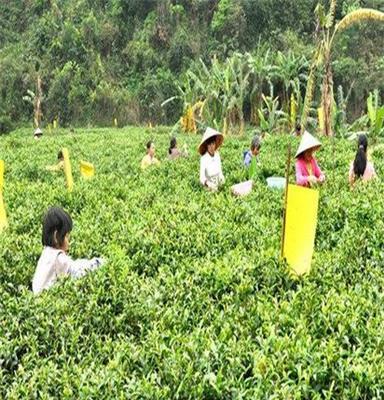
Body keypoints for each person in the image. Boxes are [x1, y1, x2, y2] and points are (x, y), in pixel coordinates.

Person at [32, 207, 104, 294]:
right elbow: (77, 270)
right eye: (66, 236)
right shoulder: (58, 258)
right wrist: (99, 263)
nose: (68, 241)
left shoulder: (46, 253)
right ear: (56, 236)